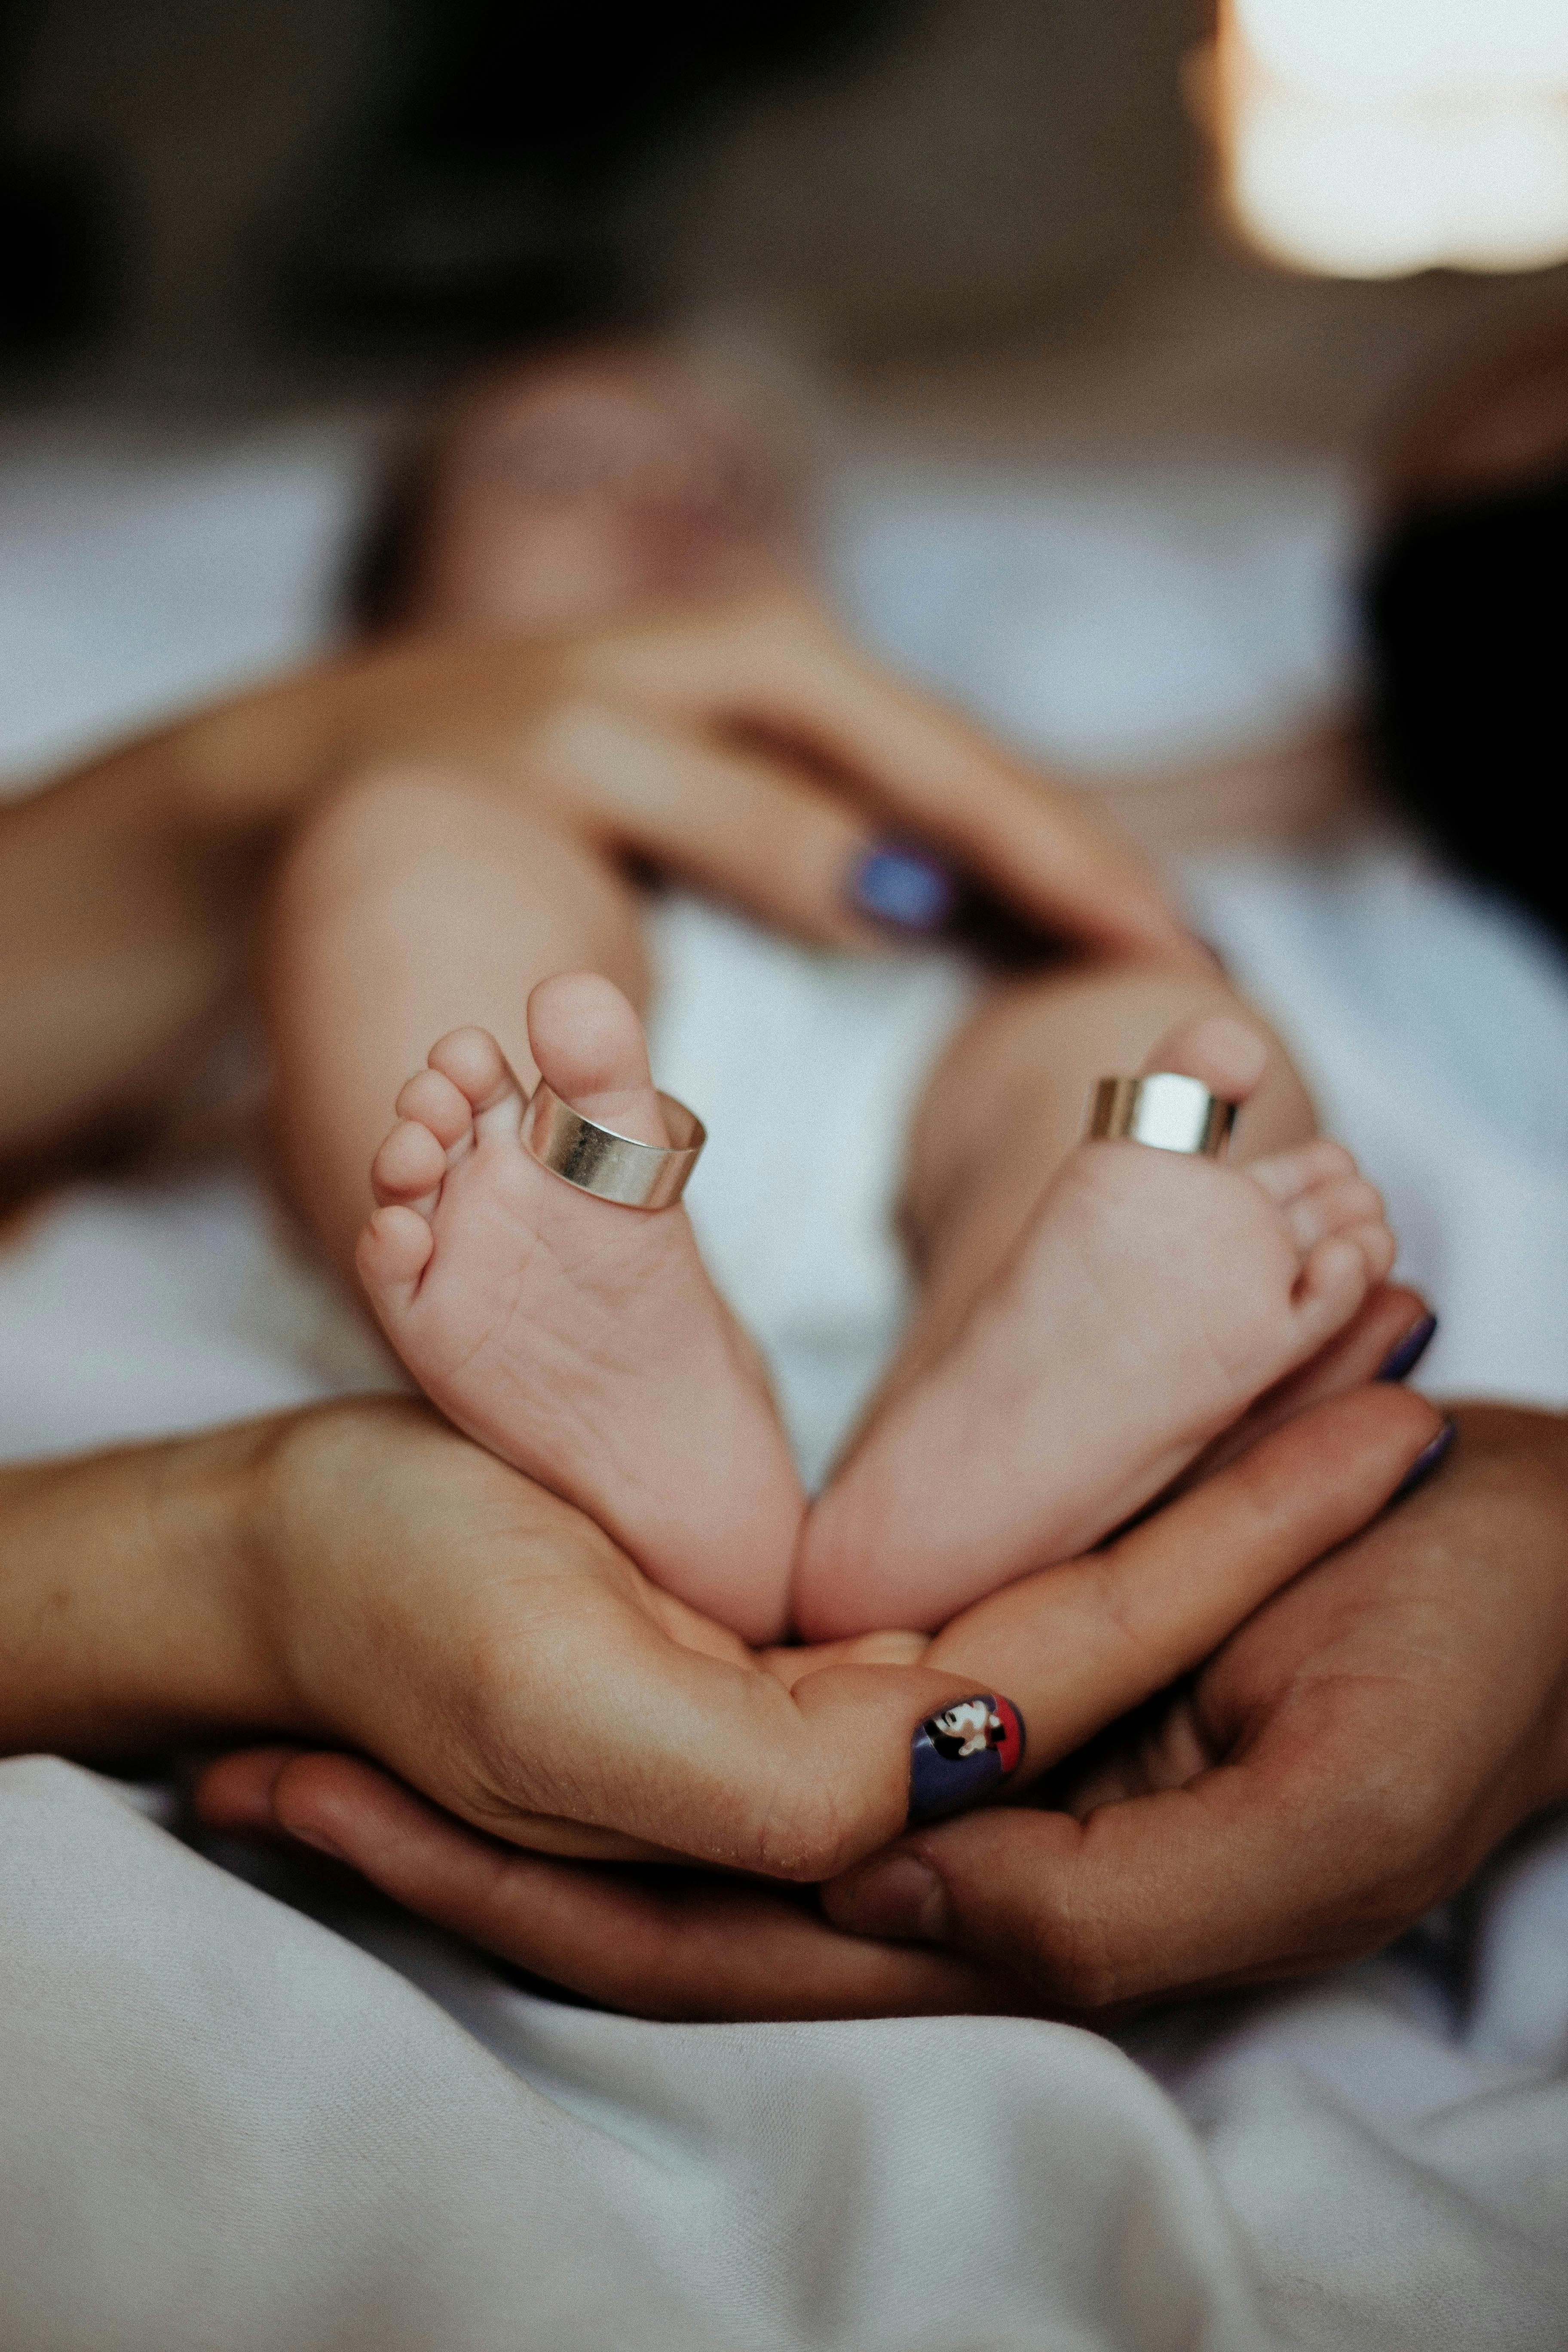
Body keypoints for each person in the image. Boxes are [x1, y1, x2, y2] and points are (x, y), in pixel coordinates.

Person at [0, 346, 1558, 2023]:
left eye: (740, 493)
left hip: (917, 1133)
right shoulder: (299, 834)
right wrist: (338, 791)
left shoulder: (928, 813)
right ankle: (594, 1311)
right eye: (558, 472)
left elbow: (1228, 810)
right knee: (408, 850)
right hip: (553, 1167)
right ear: (383, 625)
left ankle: (1016, 1402)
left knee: (1150, 1035)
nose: (670, 510)